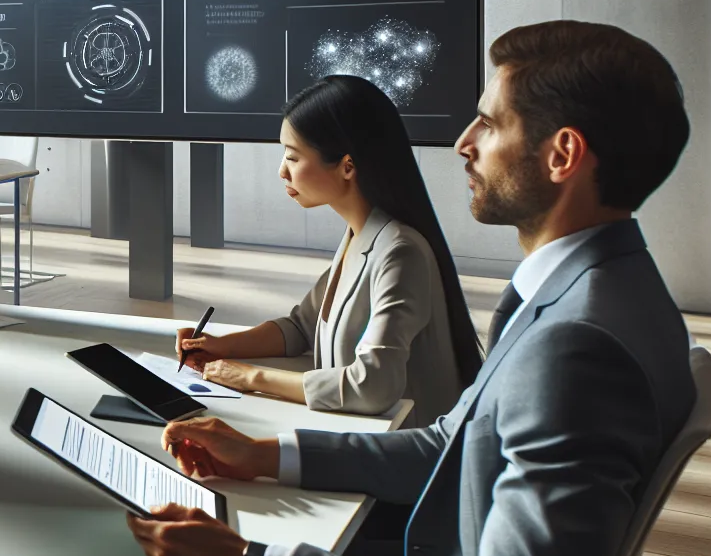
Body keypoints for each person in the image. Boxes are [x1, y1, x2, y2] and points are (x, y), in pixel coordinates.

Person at [127, 21, 697, 556]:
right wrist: (263, 455)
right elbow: (446, 447)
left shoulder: (578, 346)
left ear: (562, 155)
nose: (463, 143)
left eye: (489, 123)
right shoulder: (605, 291)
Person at [174, 75, 482, 423]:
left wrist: (249, 377)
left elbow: (373, 385)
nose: (282, 172)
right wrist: (219, 346)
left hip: (405, 454)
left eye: (292, 157)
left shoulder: (400, 251)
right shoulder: (361, 234)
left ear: (347, 166)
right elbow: (302, 328)